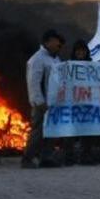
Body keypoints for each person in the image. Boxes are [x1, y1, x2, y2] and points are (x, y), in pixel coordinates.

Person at [22, 29, 65, 169]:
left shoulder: (56, 59)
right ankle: (27, 158)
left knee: (52, 131)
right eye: (56, 40)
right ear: (47, 42)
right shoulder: (37, 59)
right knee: (38, 132)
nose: (59, 43)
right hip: (42, 103)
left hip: (54, 103)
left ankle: (46, 158)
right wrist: (39, 102)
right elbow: (33, 82)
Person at [63, 39, 97, 165]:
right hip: (72, 104)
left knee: (87, 132)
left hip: (87, 104)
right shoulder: (68, 66)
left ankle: (85, 157)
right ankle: (68, 157)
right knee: (70, 132)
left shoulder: (92, 66)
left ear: (86, 52)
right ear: (74, 52)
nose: (80, 53)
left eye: (83, 51)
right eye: (78, 51)